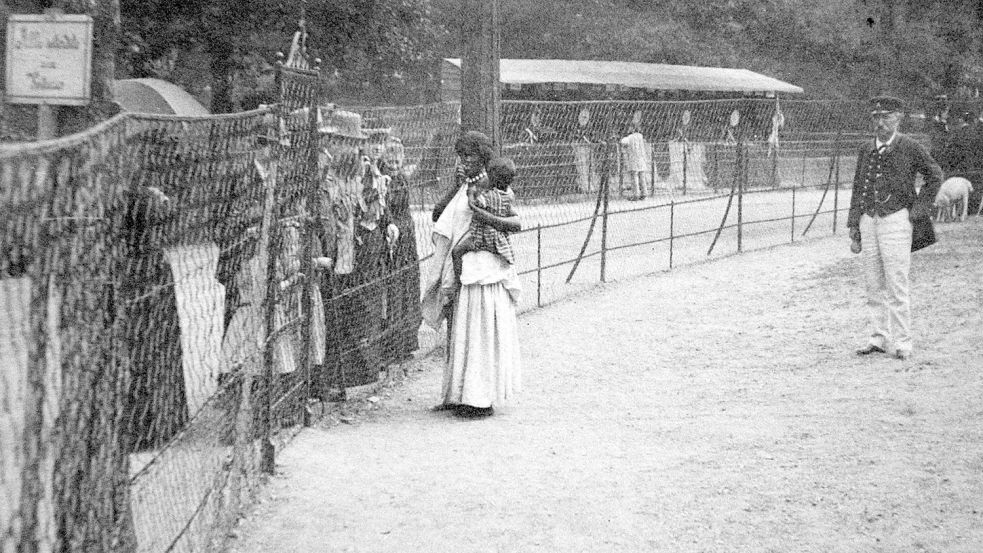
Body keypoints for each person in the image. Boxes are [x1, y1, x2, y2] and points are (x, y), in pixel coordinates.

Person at [423, 131, 522, 418]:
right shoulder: (465, 185)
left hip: (484, 265)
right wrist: (456, 184)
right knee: (461, 329)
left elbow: (514, 223)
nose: (464, 160)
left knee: (479, 328)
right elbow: (437, 214)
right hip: (465, 265)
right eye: (461, 155)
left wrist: (483, 218)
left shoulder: (493, 186)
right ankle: (458, 394)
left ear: (483, 159)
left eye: (470, 156)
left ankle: (479, 398)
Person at [847, 95, 943, 361]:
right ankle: (878, 338)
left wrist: (919, 209)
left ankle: (903, 342)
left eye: (886, 117)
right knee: (873, 282)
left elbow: (935, 175)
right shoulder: (866, 149)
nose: (880, 122)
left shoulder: (910, 146)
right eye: (876, 117)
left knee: (896, 282)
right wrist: (854, 223)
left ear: (898, 118)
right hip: (869, 220)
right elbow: (858, 187)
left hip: (897, 220)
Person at [452, 156, 518, 272]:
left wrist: (471, 193)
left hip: (482, 237)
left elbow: (474, 206)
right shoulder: (508, 197)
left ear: (492, 177)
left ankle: (458, 281)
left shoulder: (487, 196)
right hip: (499, 240)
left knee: (456, 252)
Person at [619, 126, 647, 200]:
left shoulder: (630, 137)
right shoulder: (641, 136)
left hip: (633, 158)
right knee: (642, 176)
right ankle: (644, 193)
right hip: (641, 158)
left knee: (634, 176)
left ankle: (636, 194)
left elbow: (623, 142)